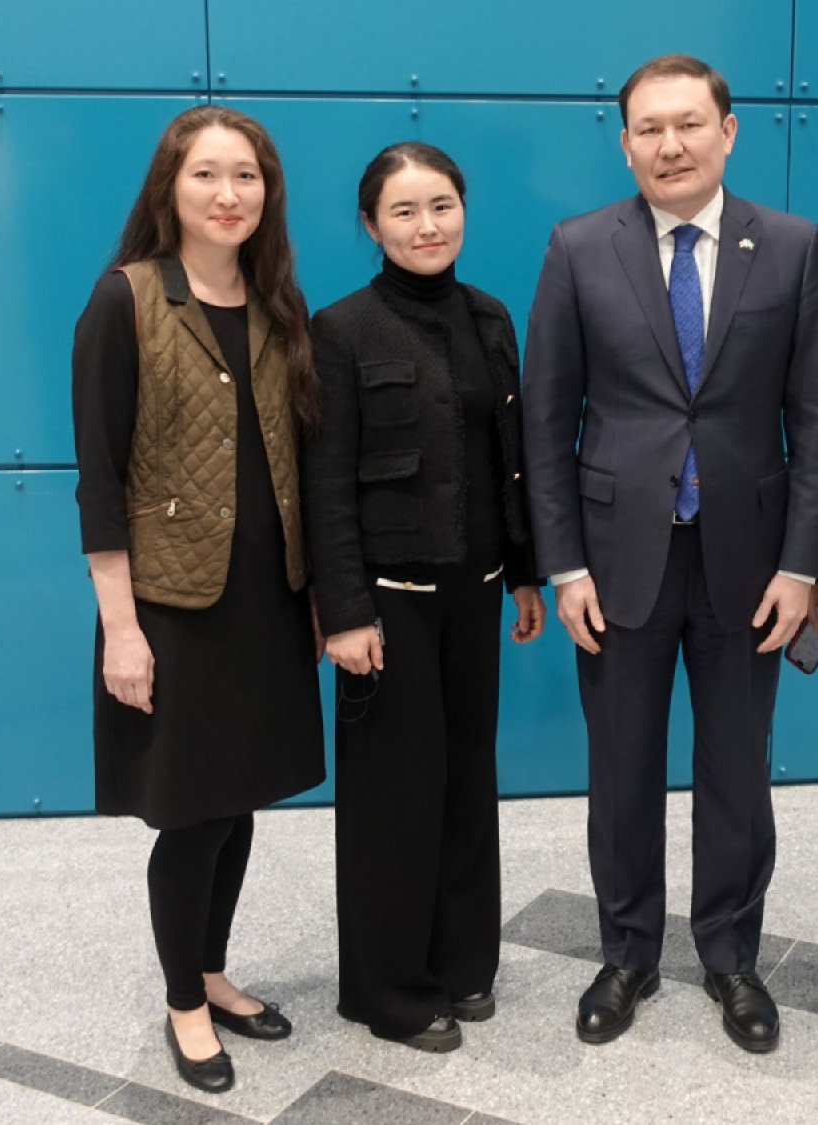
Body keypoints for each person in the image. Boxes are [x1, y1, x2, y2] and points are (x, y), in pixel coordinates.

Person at [523, 54, 818, 1054]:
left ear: (728, 130)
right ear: (624, 144)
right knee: (619, 765)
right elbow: (546, 420)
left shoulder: (789, 247)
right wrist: (562, 567)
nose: (669, 144)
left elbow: (817, 421)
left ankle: (731, 958)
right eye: (648, 129)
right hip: (615, 561)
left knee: (735, 770)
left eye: (688, 124)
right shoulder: (578, 248)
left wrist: (802, 566)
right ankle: (625, 955)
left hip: (750, 563)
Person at [71, 105, 326, 1093]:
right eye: (206, 176)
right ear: (168, 189)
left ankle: (213, 971)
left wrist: (310, 595)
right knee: (190, 811)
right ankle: (184, 1003)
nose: (228, 195)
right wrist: (120, 630)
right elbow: (99, 478)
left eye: (247, 177)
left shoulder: (278, 306)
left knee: (241, 795)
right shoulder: (126, 299)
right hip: (174, 606)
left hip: (265, 600)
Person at [303, 141, 546, 1053]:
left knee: (463, 788)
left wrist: (526, 570)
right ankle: (391, 992)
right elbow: (325, 483)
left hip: (478, 592)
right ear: (370, 225)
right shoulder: (341, 328)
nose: (426, 225)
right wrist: (346, 611)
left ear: (463, 211)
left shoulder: (491, 317)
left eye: (441, 205)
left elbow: (506, 461)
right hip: (387, 606)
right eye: (403, 211)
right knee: (392, 803)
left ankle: (460, 967)